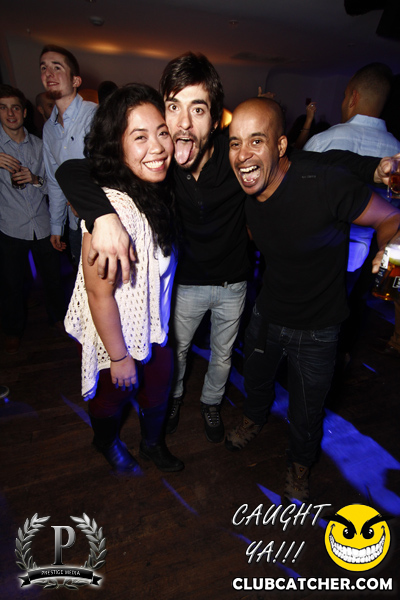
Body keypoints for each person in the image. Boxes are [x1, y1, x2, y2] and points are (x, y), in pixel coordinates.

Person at [56, 52, 250, 444]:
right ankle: (149, 418)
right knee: (162, 369)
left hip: (229, 283)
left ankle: (194, 413)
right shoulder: (157, 165)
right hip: (181, 290)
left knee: (212, 359)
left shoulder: (232, 159)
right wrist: (102, 215)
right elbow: (73, 169)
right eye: (173, 108)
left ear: (216, 119)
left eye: (198, 110)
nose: (182, 124)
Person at [225, 97, 400, 502]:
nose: (243, 154)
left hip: (318, 328)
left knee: (306, 411)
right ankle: (253, 419)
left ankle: (300, 465)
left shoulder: (321, 182)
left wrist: (390, 255)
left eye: (256, 141)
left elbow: (391, 217)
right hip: (268, 313)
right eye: (235, 143)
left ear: (281, 146)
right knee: (256, 379)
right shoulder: (245, 187)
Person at [64, 83, 183, 474]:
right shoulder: (111, 209)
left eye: (161, 132)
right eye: (140, 137)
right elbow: (99, 295)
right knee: (110, 399)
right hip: (114, 335)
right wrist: (119, 358)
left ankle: (152, 445)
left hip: (154, 326)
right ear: (117, 145)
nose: (157, 147)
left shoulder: (158, 191)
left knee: (160, 387)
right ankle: (105, 441)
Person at [304, 63, 400, 359]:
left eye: (345, 95)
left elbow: (299, 197)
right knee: (347, 314)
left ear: (353, 97)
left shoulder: (324, 141)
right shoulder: (396, 150)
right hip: (365, 259)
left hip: (317, 255)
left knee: (310, 319)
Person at [0, 84, 65, 355]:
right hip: (10, 225)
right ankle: (13, 330)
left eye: (15, 108)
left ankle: (58, 318)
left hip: (41, 223)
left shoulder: (39, 145)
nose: (10, 113)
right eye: (3, 108)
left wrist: (36, 179)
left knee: (53, 279)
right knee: (11, 284)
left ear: (24, 112)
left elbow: (55, 187)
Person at [40, 45, 97, 265]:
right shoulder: (48, 129)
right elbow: (54, 180)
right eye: (44, 68)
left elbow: (111, 171)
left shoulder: (95, 115)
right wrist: (56, 225)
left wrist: (83, 200)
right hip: (75, 226)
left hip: (101, 220)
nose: (49, 73)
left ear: (75, 80)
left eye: (57, 67)